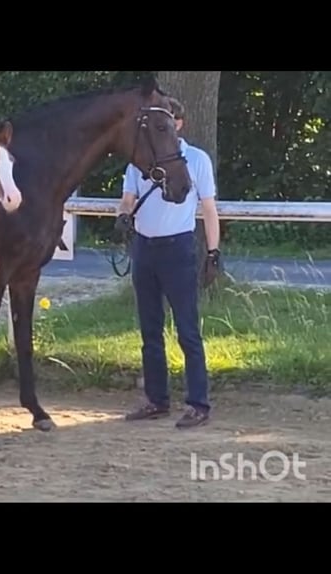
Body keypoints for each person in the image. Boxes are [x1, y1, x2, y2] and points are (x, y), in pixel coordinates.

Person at [114, 97, 222, 429]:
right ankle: (156, 399)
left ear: (180, 124)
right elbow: (128, 198)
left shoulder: (197, 160)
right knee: (150, 329)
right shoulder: (139, 162)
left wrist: (213, 252)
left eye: (171, 119)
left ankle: (198, 403)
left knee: (188, 330)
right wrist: (122, 217)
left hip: (178, 248)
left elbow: (208, 208)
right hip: (145, 247)